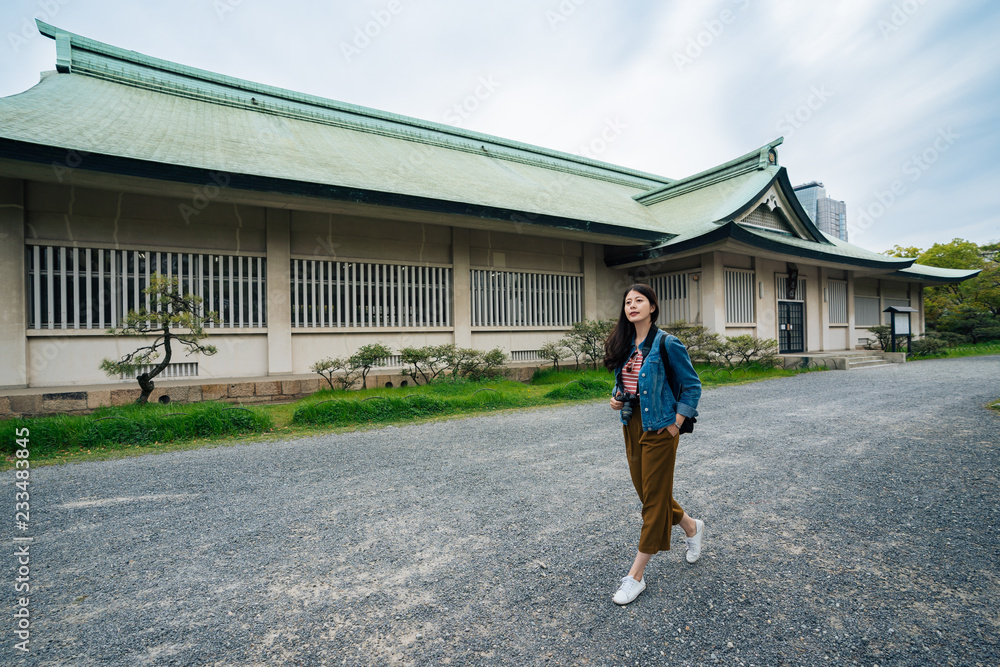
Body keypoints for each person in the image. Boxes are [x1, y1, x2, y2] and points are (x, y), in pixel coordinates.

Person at [604, 283, 703, 605]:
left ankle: (635, 576)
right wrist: (617, 399)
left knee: (652, 504)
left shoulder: (667, 344)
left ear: (652, 307)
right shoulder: (625, 343)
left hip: (661, 428)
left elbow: (692, 386)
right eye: (628, 302)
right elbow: (626, 384)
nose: (632, 306)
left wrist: (676, 424)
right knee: (649, 493)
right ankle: (691, 526)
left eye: (639, 301)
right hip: (631, 425)